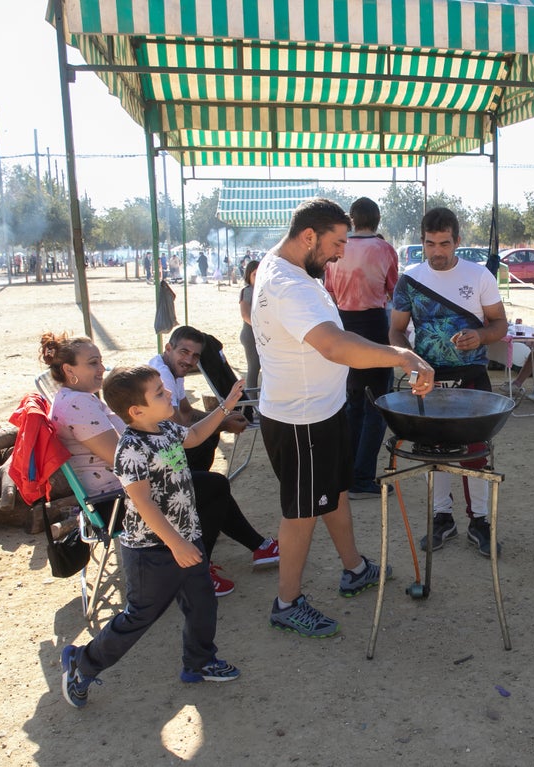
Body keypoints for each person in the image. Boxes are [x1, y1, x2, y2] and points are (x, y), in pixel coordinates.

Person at [252, 197, 434, 638]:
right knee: (301, 512)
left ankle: (354, 568)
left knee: (333, 493)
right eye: (335, 244)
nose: (340, 254)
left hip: (322, 410)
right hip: (300, 421)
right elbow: (333, 345)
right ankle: (287, 602)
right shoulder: (288, 285)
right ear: (308, 236)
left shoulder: (288, 270)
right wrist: (401, 355)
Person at [59, 365, 245, 709]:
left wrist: (224, 408)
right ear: (136, 411)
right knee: (140, 616)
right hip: (154, 550)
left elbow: (193, 437)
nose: (169, 393)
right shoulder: (130, 450)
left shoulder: (165, 428)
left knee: (202, 601)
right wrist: (176, 544)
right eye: (159, 392)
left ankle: (199, 662)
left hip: (187, 539)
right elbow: (142, 502)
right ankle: (81, 662)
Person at [40, 332, 279, 598]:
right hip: (116, 503)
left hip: (119, 494)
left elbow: (187, 435)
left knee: (205, 480)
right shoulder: (77, 404)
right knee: (207, 485)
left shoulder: (79, 398)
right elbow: (121, 459)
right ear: (68, 369)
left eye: (100, 361)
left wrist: (221, 411)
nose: (101, 369)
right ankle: (196, 570)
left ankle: (253, 548)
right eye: (93, 363)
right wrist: (168, 450)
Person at [390, 207, 509, 556]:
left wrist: (481, 336)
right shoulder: (409, 280)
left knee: (475, 451)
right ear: (422, 243)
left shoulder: (480, 276)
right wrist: (411, 365)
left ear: (457, 241)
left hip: (472, 376)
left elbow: (499, 324)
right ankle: (443, 517)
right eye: (430, 244)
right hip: (429, 379)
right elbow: (396, 330)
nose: (437, 252)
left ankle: (480, 521)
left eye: (445, 243)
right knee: (434, 450)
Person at [323, 197, 400, 500]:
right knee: (377, 405)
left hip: (343, 325)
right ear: (377, 219)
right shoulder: (384, 250)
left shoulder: (338, 249)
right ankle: (363, 476)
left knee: (354, 402)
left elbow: (328, 291)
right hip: (373, 325)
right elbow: (394, 289)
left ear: (352, 220)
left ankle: (350, 472)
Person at [150, 325, 249, 473]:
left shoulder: (172, 367)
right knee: (205, 446)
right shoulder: (163, 375)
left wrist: (223, 416)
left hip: (164, 444)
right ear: (169, 348)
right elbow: (180, 429)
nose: (189, 360)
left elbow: (187, 412)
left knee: (210, 435)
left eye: (195, 356)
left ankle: (194, 482)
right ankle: (190, 485)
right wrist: (223, 423)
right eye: (184, 352)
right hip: (156, 456)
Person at [237, 261, 262, 393]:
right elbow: (245, 314)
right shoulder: (247, 291)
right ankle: (252, 402)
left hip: (261, 334)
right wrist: (261, 327)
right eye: (254, 274)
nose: (258, 277)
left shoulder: (264, 290)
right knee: (254, 367)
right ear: (249, 275)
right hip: (251, 335)